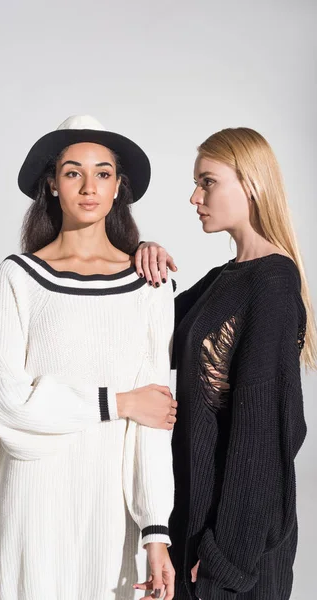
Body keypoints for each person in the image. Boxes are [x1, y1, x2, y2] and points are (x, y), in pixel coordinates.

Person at [0, 115, 177, 600]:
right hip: (31, 496)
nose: (89, 186)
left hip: (107, 505)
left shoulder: (149, 285)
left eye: (103, 173)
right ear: (52, 185)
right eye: (73, 172)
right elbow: (4, 404)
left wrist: (156, 532)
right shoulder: (18, 278)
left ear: (119, 187)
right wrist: (116, 403)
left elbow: (155, 419)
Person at [134, 127, 316, 600]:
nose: (195, 197)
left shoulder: (272, 283)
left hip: (234, 559)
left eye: (207, 181)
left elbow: (267, 435)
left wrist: (226, 562)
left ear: (251, 183)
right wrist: (141, 256)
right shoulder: (224, 280)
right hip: (197, 533)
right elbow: (149, 337)